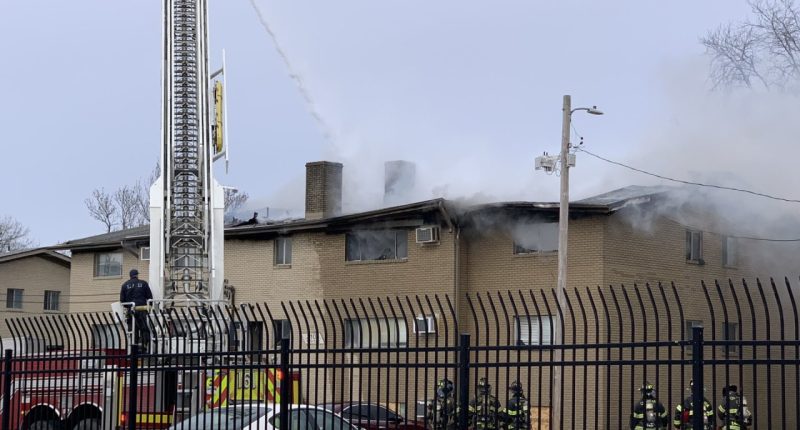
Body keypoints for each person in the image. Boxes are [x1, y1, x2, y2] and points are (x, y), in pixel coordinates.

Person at [120, 269, 153, 348]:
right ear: (137, 275)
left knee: (133, 330)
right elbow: (150, 297)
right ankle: (145, 345)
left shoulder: (124, 285)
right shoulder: (143, 283)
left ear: (130, 276)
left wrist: (129, 307)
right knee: (144, 328)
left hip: (131, 311)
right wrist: (149, 308)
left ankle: (133, 346)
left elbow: (122, 301)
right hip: (142, 310)